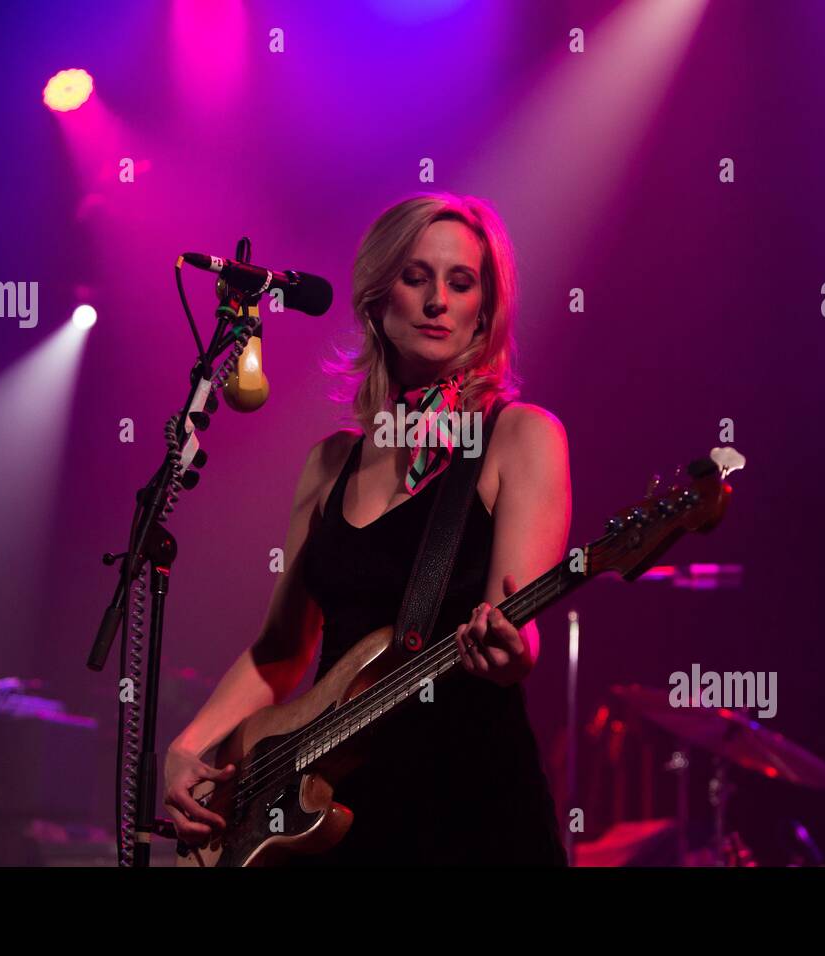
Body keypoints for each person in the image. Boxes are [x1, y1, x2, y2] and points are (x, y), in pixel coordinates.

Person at [163, 192, 570, 864]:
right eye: (417, 277)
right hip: (327, 814)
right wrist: (188, 747)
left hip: (469, 809)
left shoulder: (519, 437)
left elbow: (517, 617)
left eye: (461, 282)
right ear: (378, 299)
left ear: (484, 311)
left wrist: (514, 652)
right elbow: (279, 649)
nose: (438, 300)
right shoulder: (329, 463)